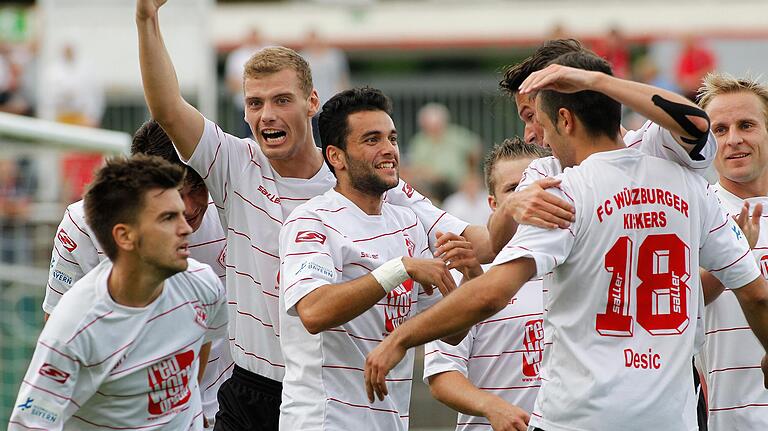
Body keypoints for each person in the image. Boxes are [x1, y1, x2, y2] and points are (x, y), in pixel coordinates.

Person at [364, 51, 768, 431]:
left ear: (565, 119)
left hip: (579, 417)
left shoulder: (564, 190)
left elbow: (493, 290)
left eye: (535, 119)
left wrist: (401, 337)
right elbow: (756, 294)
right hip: (668, 417)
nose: (534, 134)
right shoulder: (689, 183)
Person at [135, 1, 490, 429]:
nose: (266, 114)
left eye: (282, 100)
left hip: (341, 395)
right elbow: (168, 108)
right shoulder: (234, 162)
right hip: (252, 387)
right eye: (255, 103)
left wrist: (510, 221)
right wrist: (146, 18)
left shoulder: (365, 182)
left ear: (311, 102)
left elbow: (480, 245)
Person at [279, 87, 477, 430]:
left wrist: (471, 279)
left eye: (392, 138)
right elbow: (313, 311)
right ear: (336, 157)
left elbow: (452, 334)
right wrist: (398, 269)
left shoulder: (408, 224)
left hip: (390, 422)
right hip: (324, 422)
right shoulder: (311, 220)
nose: (389, 150)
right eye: (372, 140)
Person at [9, 155, 228, 430]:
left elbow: (201, 344)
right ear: (124, 236)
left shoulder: (203, 283)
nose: (185, 228)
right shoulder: (73, 328)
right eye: (168, 218)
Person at [423, 138, 550, 431]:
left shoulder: (578, 263)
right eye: (512, 189)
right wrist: (490, 406)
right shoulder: (468, 275)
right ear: (493, 203)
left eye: (533, 184)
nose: (524, 197)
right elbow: (442, 376)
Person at [697, 73, 768, 431]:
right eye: (719, 130)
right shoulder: (692, 213)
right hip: (730, 420)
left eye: (746, 125)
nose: (734, 139)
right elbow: (678, 302)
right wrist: (734, 256)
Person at [406, 103, 483, 201]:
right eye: (430, 127)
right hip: (432, 187)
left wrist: (471, 171)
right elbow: (415, 167)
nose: (434, 130)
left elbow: (476, 147)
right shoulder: (419, 142)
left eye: (437, 126)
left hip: (459, 184)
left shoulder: (456, 135)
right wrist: (430, 174)